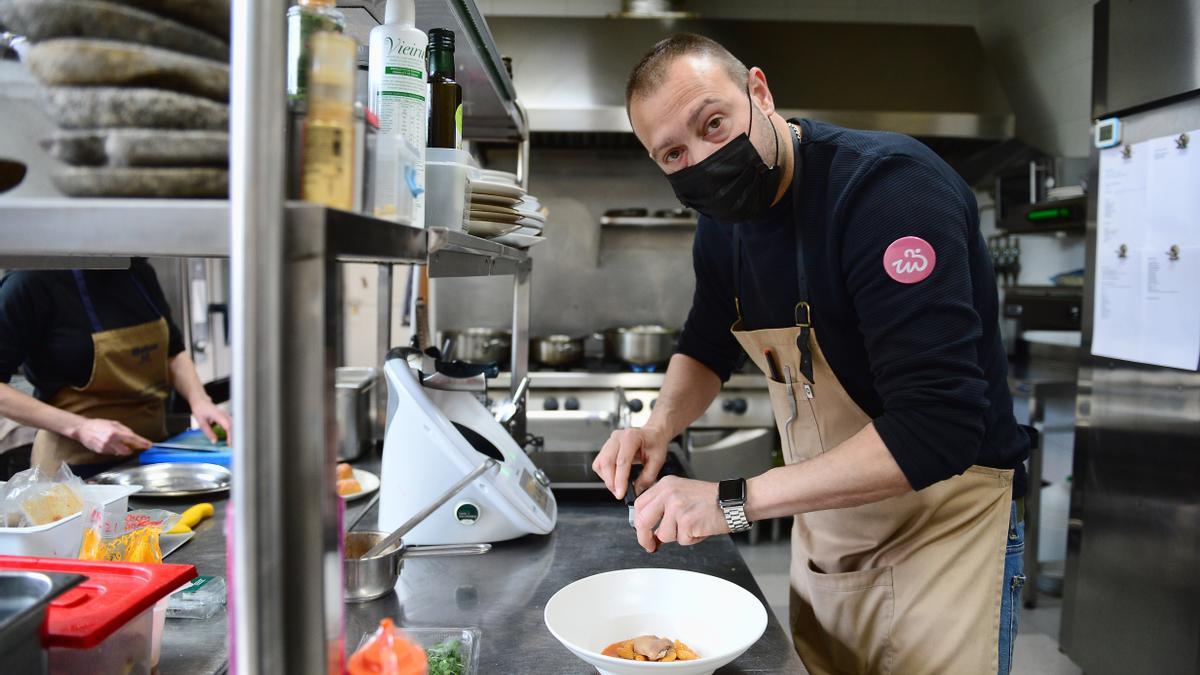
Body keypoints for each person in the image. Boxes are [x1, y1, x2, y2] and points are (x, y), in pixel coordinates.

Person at [593, 34, 1030, 675]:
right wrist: (658, 427)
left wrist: (731, 501)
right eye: (674, 153)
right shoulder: (721, 223)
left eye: (714, 123)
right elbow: (707, 344)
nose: (704, 160)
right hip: (829, 535)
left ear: (760, 93)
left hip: (944, 536)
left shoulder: (888, 192)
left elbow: (940, 425)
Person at [0, 260, 232, 477]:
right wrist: (79, 427)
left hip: (152, 459)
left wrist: (200, 400)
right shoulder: (28, 282)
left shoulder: (137, 271)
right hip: (74, 471)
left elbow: (173, 350)